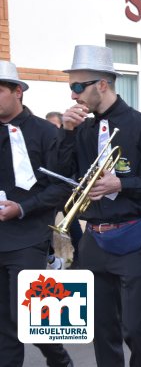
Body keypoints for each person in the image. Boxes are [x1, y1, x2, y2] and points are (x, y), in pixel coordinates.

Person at [56, 45, 141, 367]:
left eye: (78, 87)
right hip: (93, 238)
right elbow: (61, 174)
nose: (73, 95)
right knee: (101, 329)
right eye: (71, 87)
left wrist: (122, 183)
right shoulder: (80, 130)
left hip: (134, 237)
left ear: (103, 84)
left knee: (136, 328)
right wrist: (66, 133)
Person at [0, 60, 73, 367]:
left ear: (18, 91)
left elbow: (60, 188)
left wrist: (23, 208)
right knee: (2, 325)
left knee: (30, 317)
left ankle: (60, 360)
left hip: (29, 236)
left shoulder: (46, 133)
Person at [45, 111, 84, 269]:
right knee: (46, 226)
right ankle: (51, 258)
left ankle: (80, 258)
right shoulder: (47, 139)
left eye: (55, 125)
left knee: (73, 226)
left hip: (67, 190)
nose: (52, 128)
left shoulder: (67, 138)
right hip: (50, 190)